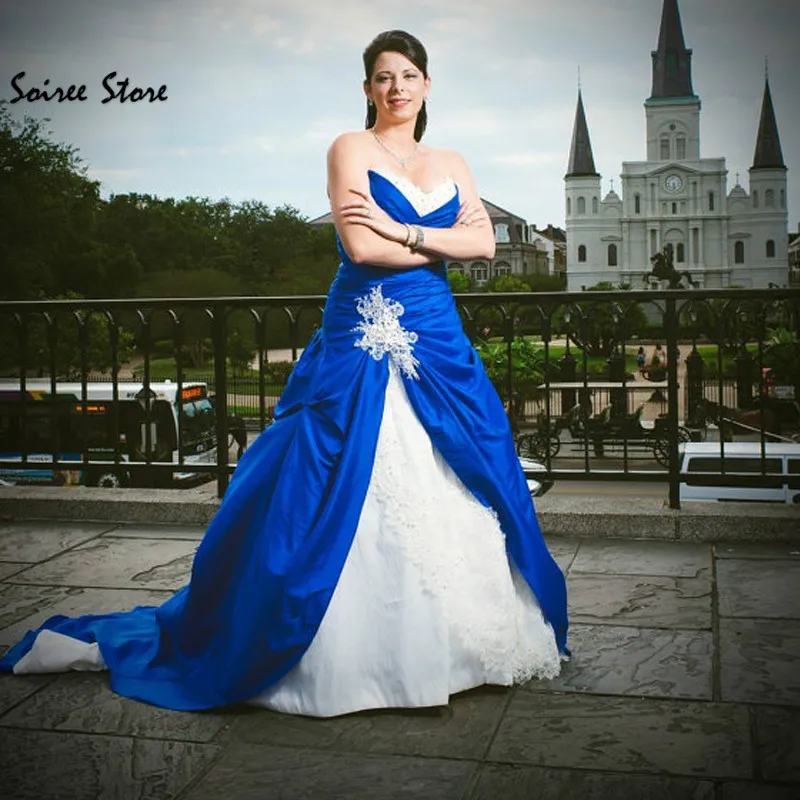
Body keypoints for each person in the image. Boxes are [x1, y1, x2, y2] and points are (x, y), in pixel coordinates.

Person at [0, 30, 568, 716]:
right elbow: (359, 245)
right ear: (367, 89)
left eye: (408, 74)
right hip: (361, 329)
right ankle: (337, 652)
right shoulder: (349, 148)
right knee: (328, 472)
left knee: (467, 465)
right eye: (382, 77)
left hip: (437, 336)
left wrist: (408, 233)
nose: (396, 87)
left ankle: (464, 646)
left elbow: (483, 243)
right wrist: (433, 242)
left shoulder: (451, 159)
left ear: (426, 84)